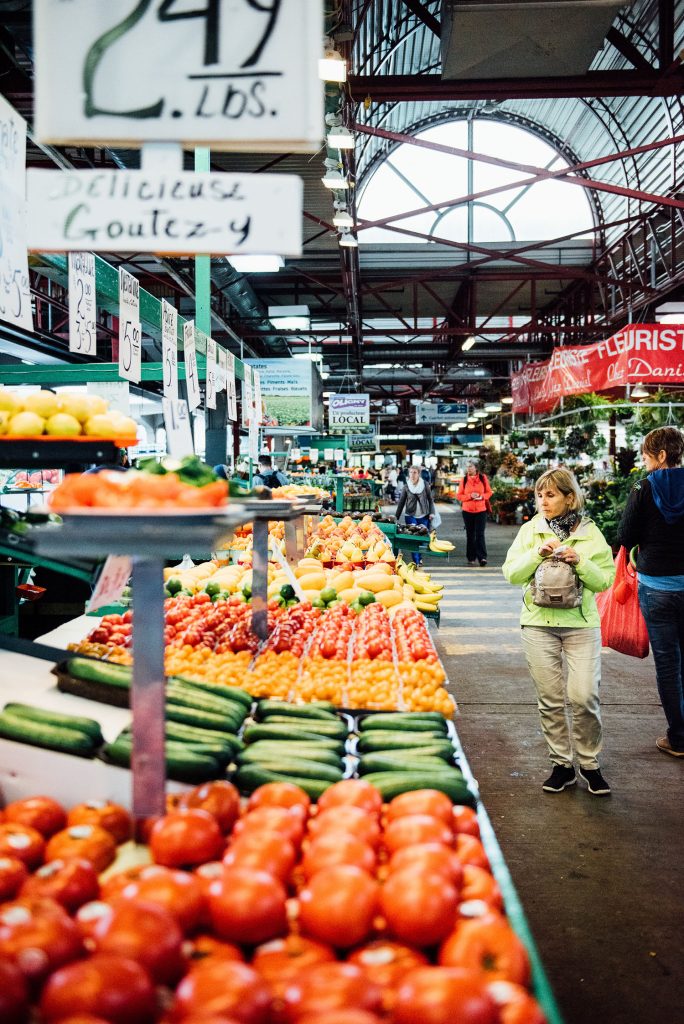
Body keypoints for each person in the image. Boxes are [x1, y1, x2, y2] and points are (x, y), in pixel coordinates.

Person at [502, 467, 615, 796]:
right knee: (550, 700)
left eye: (550, 494)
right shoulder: (530, 531)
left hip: (581, 626)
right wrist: (537, 554)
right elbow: (511, 573)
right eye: (539, 494)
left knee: (584, 697)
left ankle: (590, 764)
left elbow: (604, 580)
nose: (543, 501)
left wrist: (579, 560)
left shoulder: (591, 534)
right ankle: (562, 765)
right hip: (538, 624)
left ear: (569, 497)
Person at [617, 426, 684, 758]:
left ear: (660, 455)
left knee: (669, 664)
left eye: (645, 456)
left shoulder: (640, 486)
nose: (643, 463)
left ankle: (679, 738)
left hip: (656, 586)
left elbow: (625, 532)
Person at [396, 464, 436, 566]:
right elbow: (401, 502)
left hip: (424, 515)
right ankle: (416, 561)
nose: (412, 475)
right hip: (410, 515)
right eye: (410, 472)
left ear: (419, 474)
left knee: (422, 539)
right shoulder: (406, 486)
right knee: (413, 539)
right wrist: (396, 517)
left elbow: (430, 500)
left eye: (414, 473)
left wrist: (432, 512)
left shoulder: (425, 484)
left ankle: (420, 557)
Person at [456, 462, 493, 566]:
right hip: (467, 511)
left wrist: (481, 496)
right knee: (470, 534)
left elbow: (489, 492)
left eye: (470, 466)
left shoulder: (483, 478)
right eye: (467, 466)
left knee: (480, 534)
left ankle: (482, 558)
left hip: (481, 510)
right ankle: (471, 557)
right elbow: (459, 496)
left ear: (476, 467)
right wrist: (470, 496)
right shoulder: (464, 480)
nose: (468, 468)